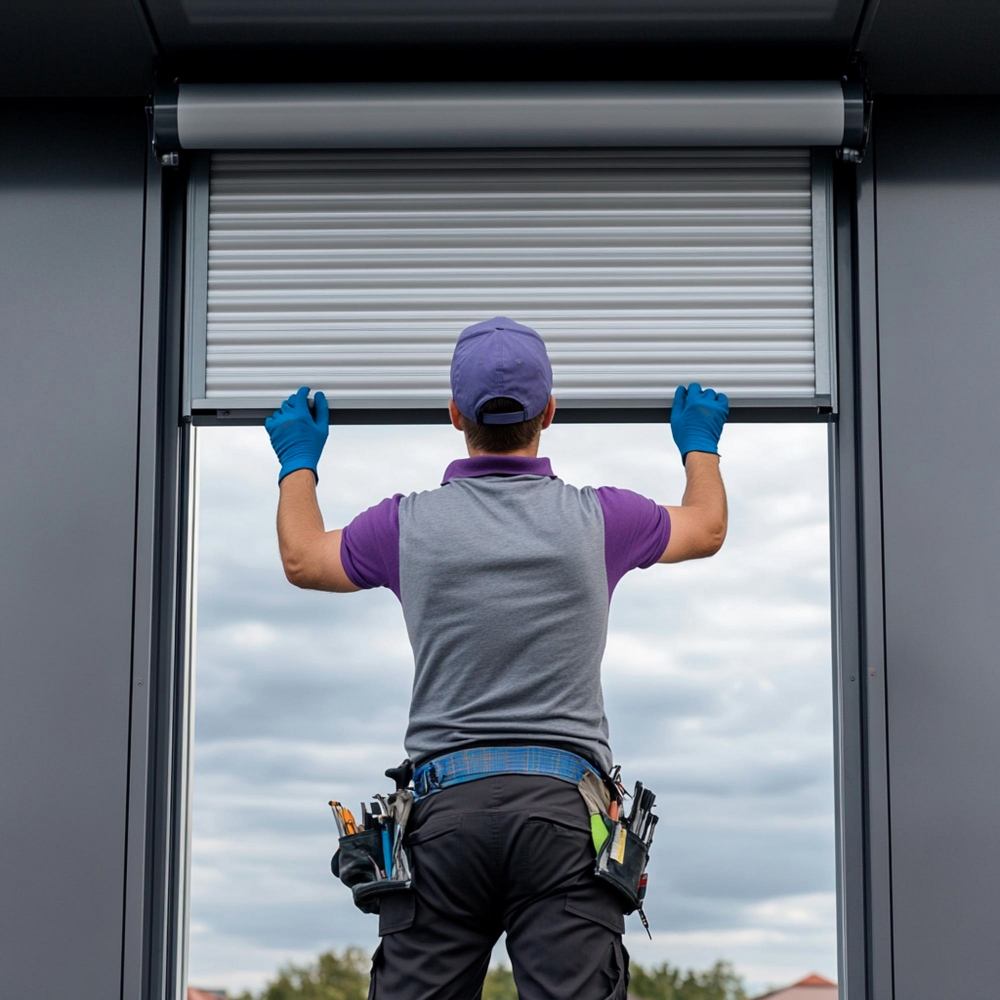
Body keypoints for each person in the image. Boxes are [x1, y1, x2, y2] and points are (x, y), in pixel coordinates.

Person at [265, 317, 729, 1000]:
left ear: (455, 415)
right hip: (563, 817)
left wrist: (298, 460)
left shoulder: (405, 525)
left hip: (446, 817)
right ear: (550, 412)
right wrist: (699, 446)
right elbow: (707, 527)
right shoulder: (603, 519)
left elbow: (303, 558)